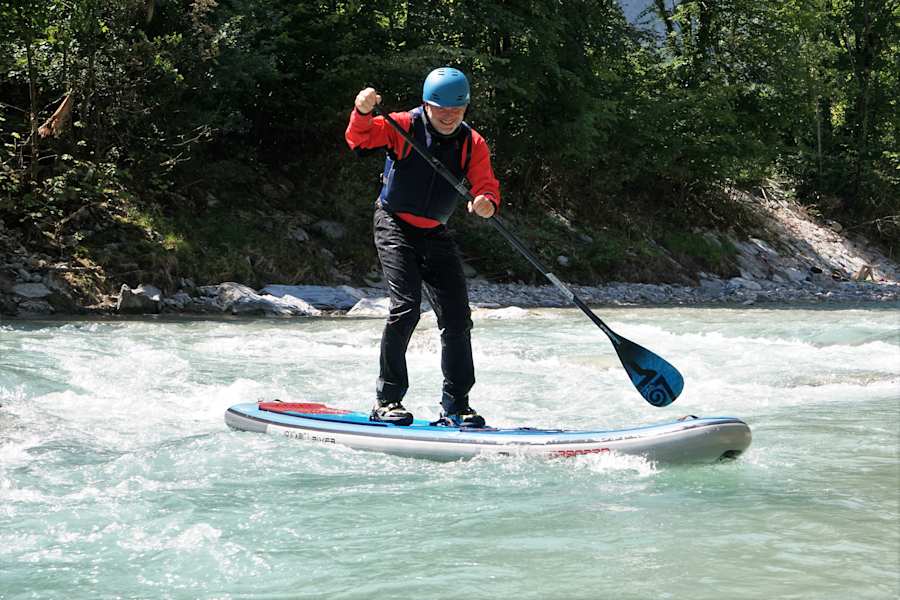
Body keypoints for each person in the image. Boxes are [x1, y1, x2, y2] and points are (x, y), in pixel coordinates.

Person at [344, 67, 501, 428]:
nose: (449, 116)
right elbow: (359, 140)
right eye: (441, 109)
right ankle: (387, 400)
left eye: (457, 110)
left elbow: (486, 185)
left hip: (435, 232)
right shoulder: (403, 125)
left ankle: (457, 406)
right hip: (394, 223)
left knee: (458, 318)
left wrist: (486, 203)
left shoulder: (472, 143)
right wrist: (362, 111)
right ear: (427, 105)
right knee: (406, 309)